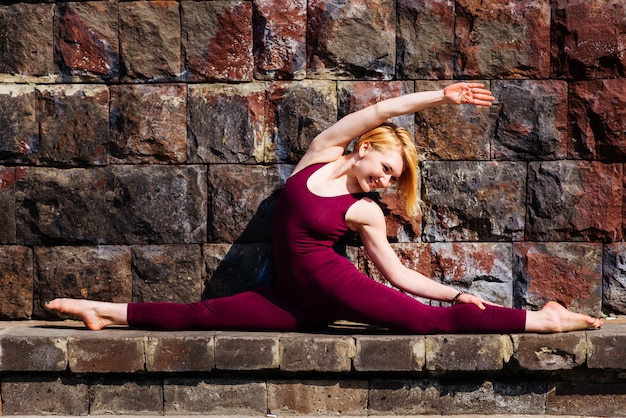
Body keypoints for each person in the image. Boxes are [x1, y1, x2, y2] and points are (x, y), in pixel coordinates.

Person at [45, 82, 603, 334]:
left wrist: (458, 290)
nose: (385, 183)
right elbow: (380, 107)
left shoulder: (365, 213)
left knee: (431, 324)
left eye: (393, 180)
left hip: (336, 289)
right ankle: (103, 310)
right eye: (385, 170)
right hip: (291, 300)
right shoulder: (315, 159)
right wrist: (440, 96)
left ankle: (541, 319)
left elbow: (398, 273)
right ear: (364, 150)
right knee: (202, 315)